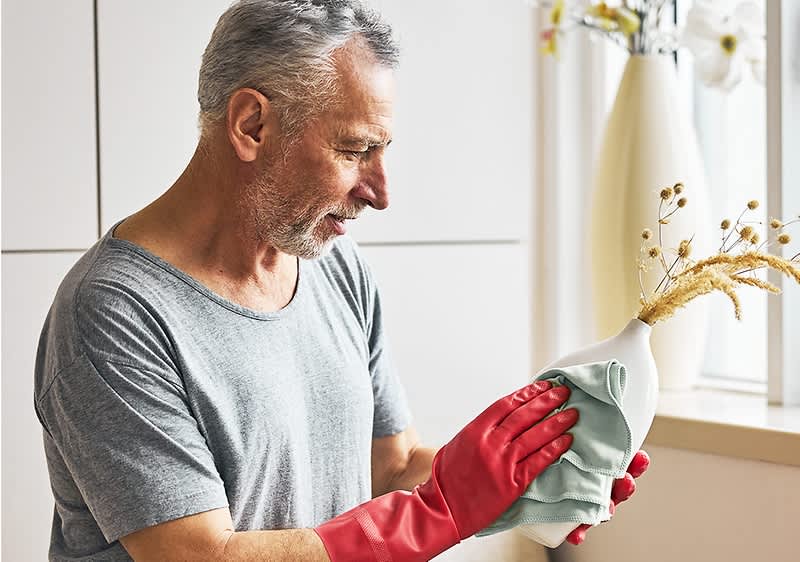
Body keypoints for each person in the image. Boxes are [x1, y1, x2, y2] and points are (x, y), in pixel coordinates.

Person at [34, 1, 647, 560]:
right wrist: (443, 510)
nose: (380, 193)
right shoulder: (113, 312)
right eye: (356, 151)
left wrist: (529, 480)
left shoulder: (334, 267)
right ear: (251, 125)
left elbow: (393, 464)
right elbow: (199, 556)